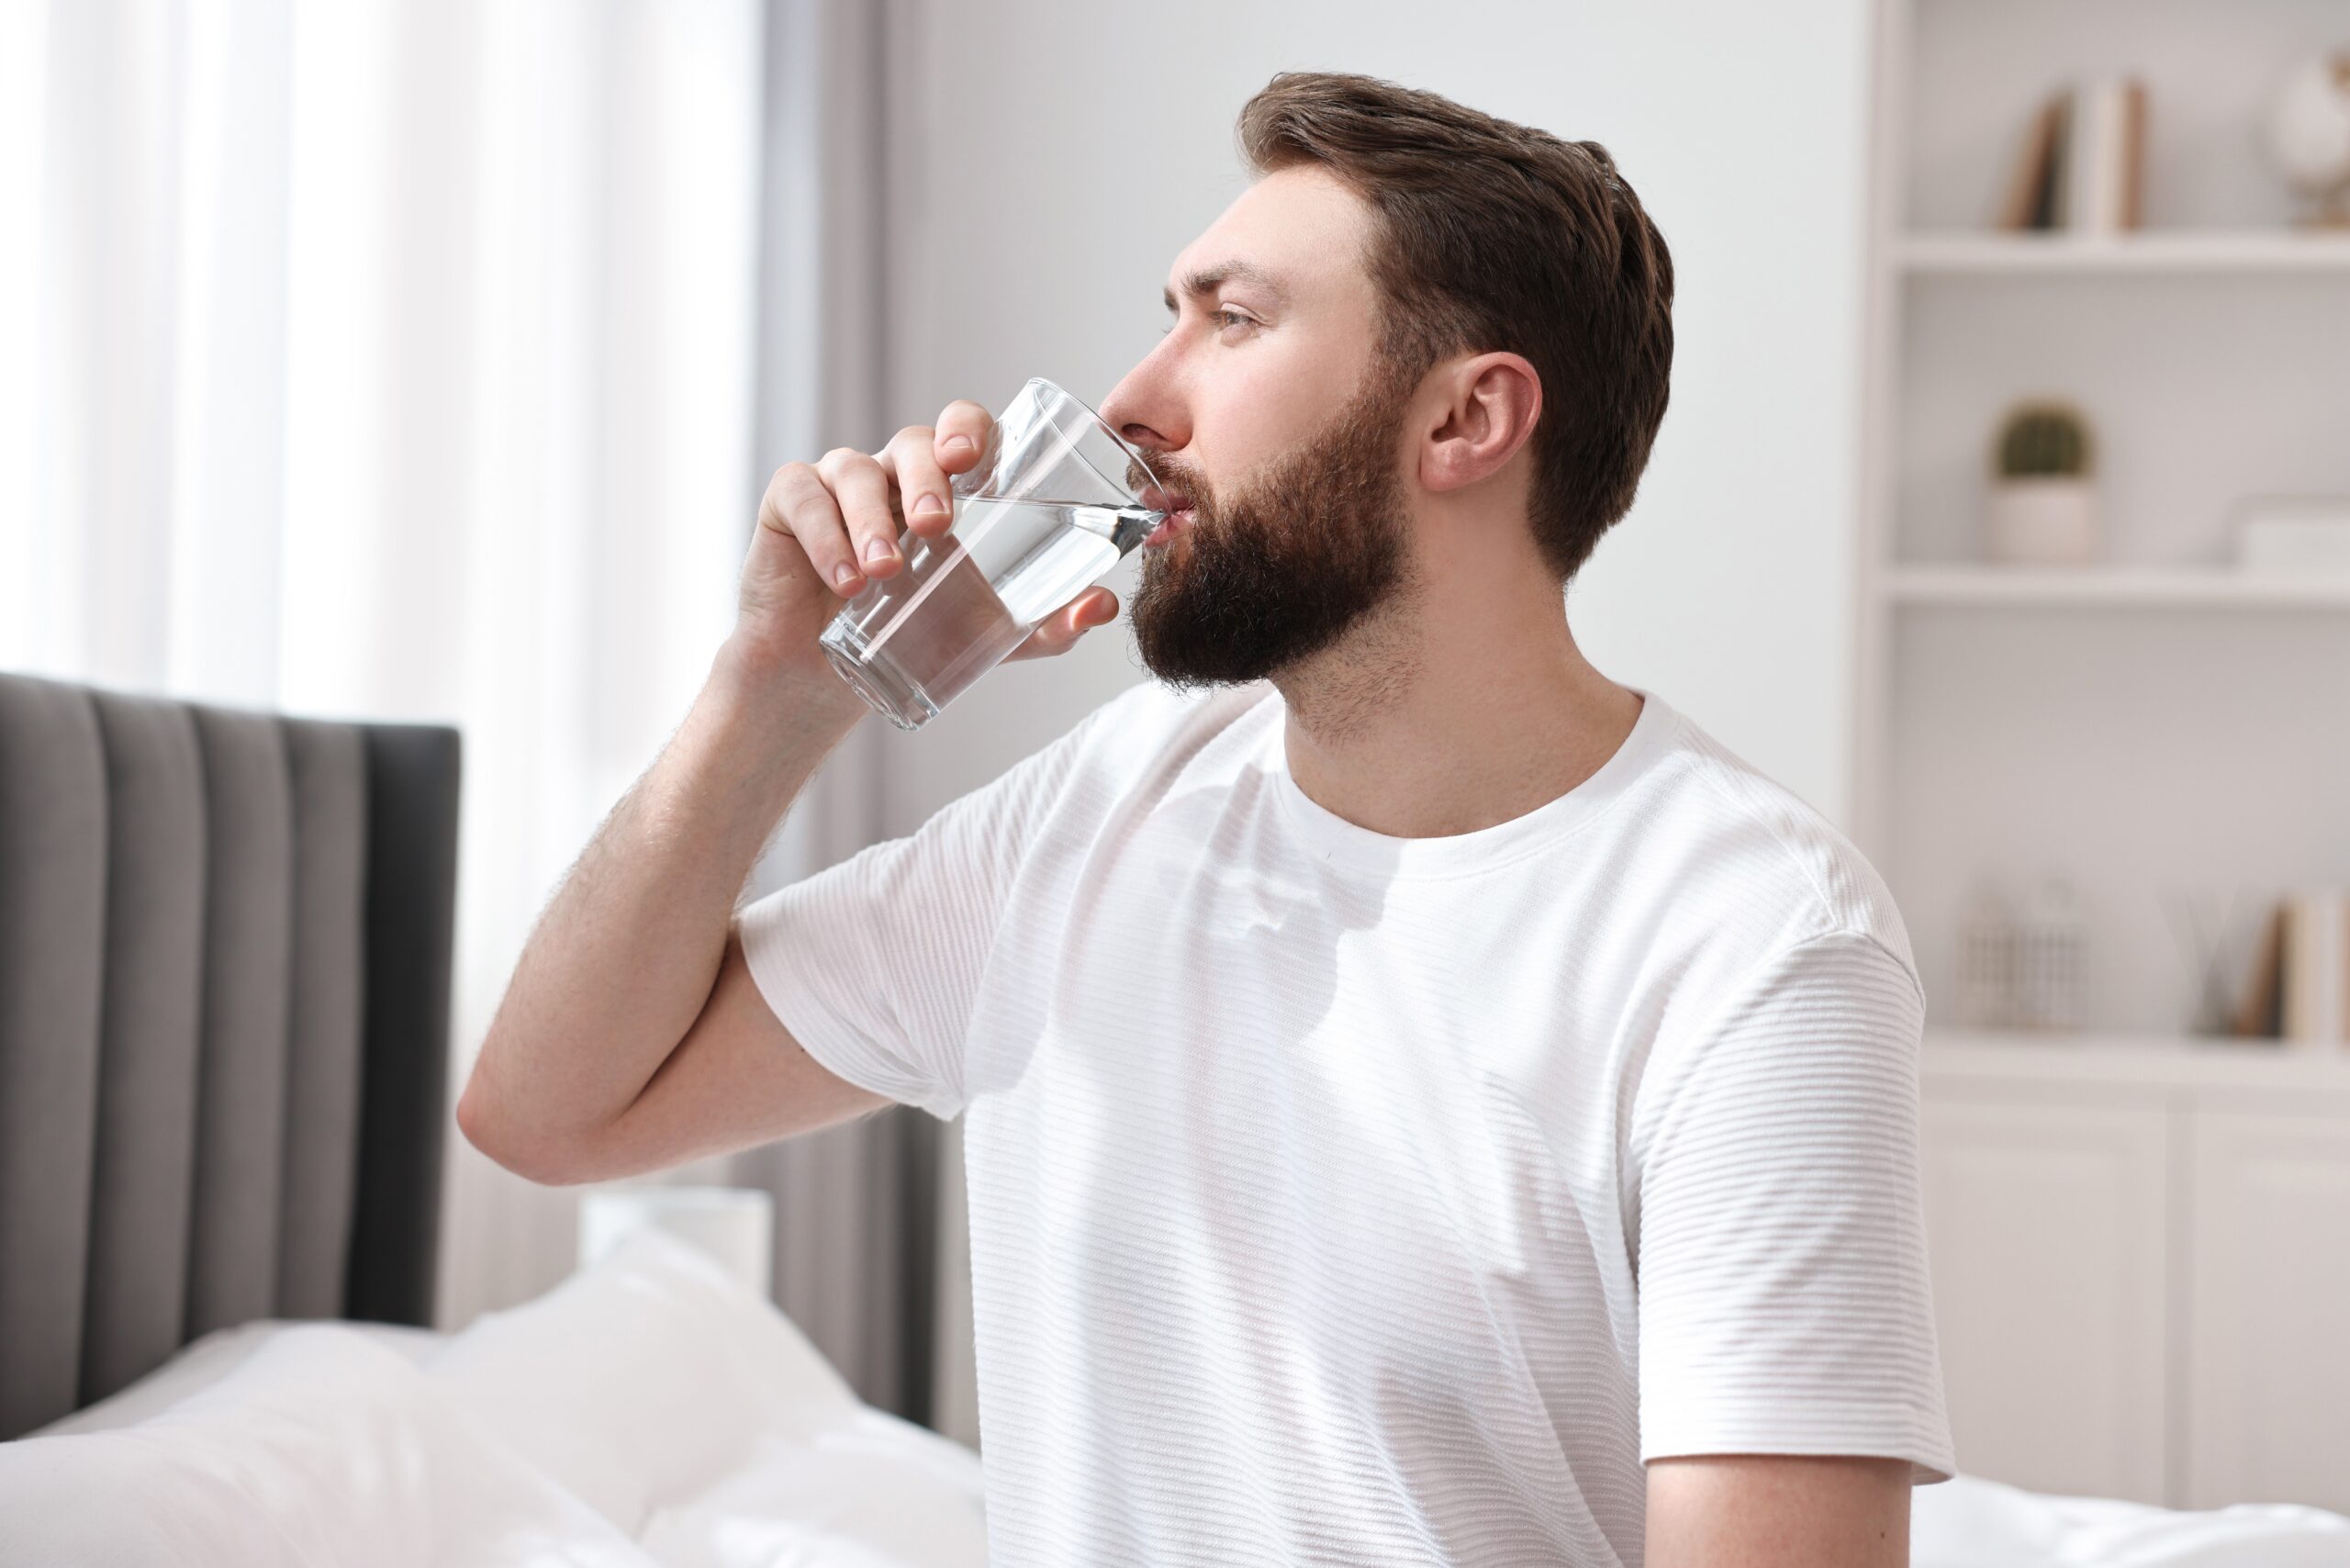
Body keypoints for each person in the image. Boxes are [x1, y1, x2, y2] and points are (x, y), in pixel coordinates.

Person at [459, 69, 1954, 1568]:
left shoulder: (1754, 946)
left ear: (1467, 419)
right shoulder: (1105, 808)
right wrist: (776, 689)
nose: (1128, 401)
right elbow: (549, 1108)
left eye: (1229, 320)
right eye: (1170, 312)